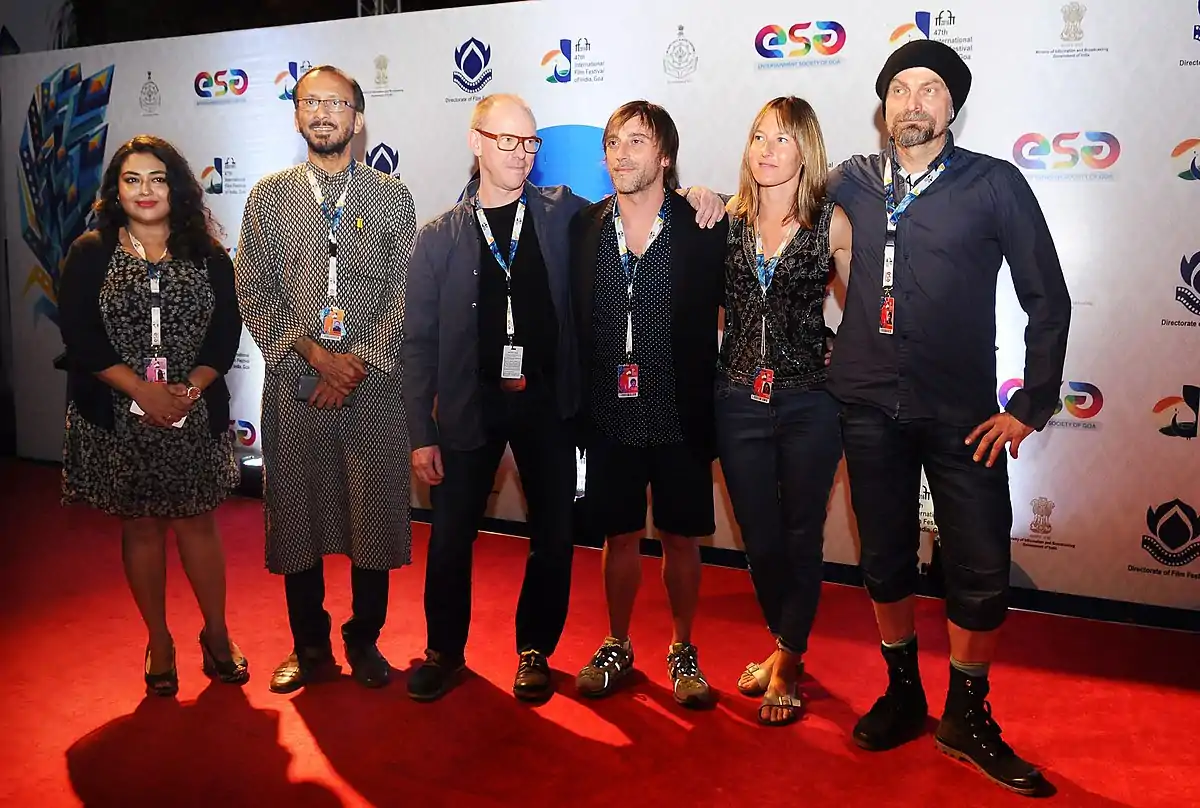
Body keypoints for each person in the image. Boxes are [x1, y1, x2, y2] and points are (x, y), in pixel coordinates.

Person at [403, 93, 724, 703]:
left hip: (549, 405)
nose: (521, 153)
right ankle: (443, 651)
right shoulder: (439, 236)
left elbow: (646, 198)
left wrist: (700, 194)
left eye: (530, 142)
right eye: (507, 140)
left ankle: (535, 651)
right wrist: (421, 432)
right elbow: (416, 343)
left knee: (553, 536)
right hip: (471, 406)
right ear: (476, 143)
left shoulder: (562, 213)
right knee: (448, 538)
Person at [827, 40, 1070, 795]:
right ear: (883, 107)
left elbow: (1047, 296)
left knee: (981, 567)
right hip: (868, 404)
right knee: (884, 559)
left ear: (952, 106)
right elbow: (768, 201)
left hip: (963, 414)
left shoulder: (994, 183)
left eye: (929, 88)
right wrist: (708, 200)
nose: (913, 101)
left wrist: (1030, 405)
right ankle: (904, 694)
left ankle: (967, 714)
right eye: (900, 88)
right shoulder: (850, 180)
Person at [234, 65, 417, 693]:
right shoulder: (267, 197)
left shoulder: (392, 195)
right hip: (295, 386)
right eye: (310, 101)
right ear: (295, 115)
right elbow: (252, 289)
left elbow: (402, 294)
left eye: (336, 103)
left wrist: (351, 365)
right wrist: (314, 353)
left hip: (372, 388)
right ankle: (308, 645)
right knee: (297, 518)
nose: (322, 113)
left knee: (372, 516)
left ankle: (364, 639)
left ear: (357, 118)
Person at [58, 134, 248, 696]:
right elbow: (81, 338)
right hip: (119, 417)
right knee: (140, 527)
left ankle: (217, 635)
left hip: (192, 411)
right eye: (132, 179)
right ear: (116, 190)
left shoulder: (208, 253)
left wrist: (187, 390)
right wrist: (144, 391)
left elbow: (225, 333)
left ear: (176, 187)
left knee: (197, 524)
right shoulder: (90, 252)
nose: (145, 190)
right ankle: (159, 642)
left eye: (157, 178)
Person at [571, 101, 727, 707]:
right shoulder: (584, 226)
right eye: (613, 141)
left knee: (682, 537)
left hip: (679, 411)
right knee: (619, 535)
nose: (621, 153)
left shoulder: (703, 224)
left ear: (665, 156)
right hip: (609, 411)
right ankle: (617, 643)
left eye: (637, 141)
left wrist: (708, 195)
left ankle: (683, 648)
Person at [717, 97, 852, 726]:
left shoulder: (833, 225)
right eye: (758, 136)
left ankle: (789, 659)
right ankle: (784, 640)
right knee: (759, 536)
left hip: (810, 401)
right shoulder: (724, 220)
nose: (767, 149)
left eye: (782, 138)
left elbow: (868, 310)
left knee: (801, 533)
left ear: (807, 149)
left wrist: (843, 353)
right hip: (738, 398)